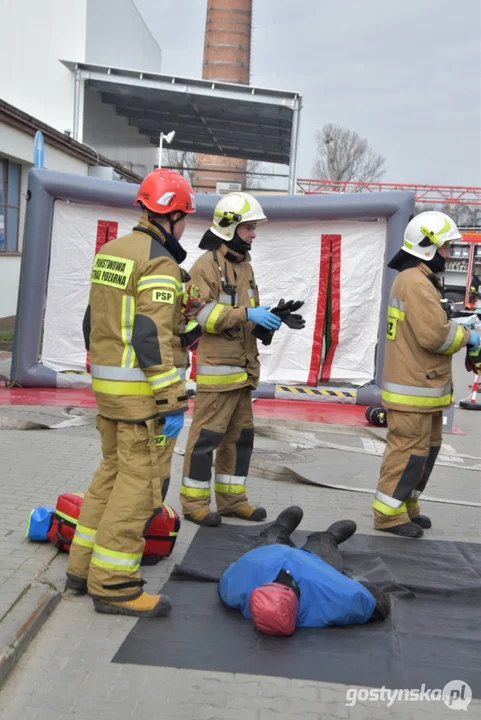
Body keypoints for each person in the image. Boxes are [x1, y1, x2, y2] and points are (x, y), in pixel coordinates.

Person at [66, 169, 199, 617]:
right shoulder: (159, 262)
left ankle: (81, 569)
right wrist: (172, 399)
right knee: (140, 490)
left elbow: (93, 323)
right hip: (142, 399)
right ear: (173, 214)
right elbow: (148, 335)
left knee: (108, 479)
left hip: (108, 394)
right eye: (185, 218)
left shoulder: (112, 251)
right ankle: (116, 584)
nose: (185, 227)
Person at [180, 192, 304, 527]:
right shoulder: (204, 267)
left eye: (253, 227)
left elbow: (244, 315)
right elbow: (199, 315)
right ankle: (194, 505)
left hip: (243, 371)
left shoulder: (244, 266)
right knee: (206, 438)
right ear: (228, 226)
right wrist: (249, 313)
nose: (253, 233)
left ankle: (233, 501)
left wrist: (271, 321)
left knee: (240, 438)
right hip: (218, 372)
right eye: (248, 227)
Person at [372, 211, 481, 538]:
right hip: (413, 387)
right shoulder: (415, 281)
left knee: (426, 450)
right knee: (408, 451)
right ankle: (388, 515)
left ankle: (405, 505)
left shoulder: (420, 279)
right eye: (446, 247)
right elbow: (434, 336)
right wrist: (467, 337)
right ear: (427, 247)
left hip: (425, 386)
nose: (449, 254)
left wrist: (458, 325)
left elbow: (431, 325)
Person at [218, 507, 389, 635]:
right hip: (314, 567)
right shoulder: (331, 598)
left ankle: (278, 529)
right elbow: (377, 605)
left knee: (268, 540)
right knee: (324, 549)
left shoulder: (237, 590)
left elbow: (229, 573)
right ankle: (327, 536)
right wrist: (352, 580)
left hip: (268, 558)